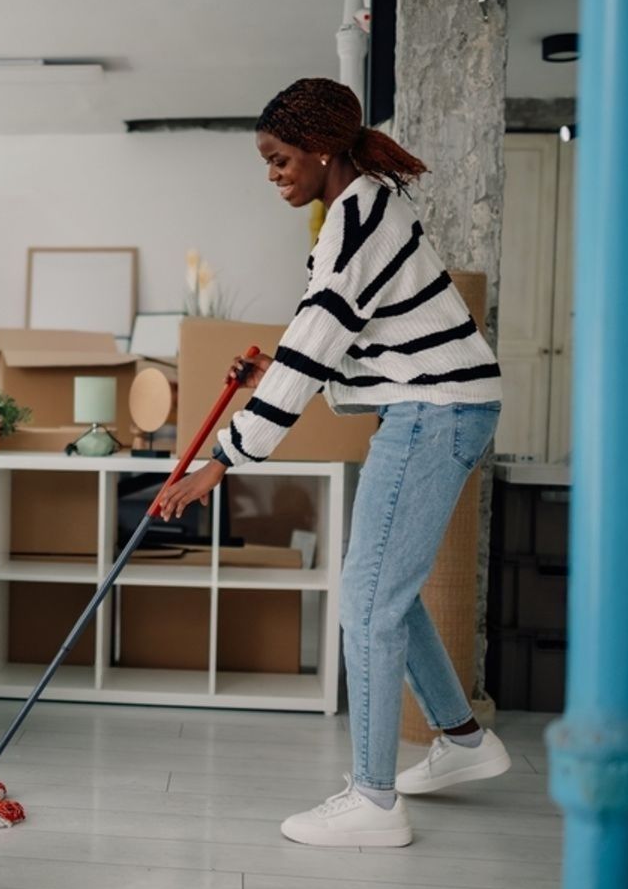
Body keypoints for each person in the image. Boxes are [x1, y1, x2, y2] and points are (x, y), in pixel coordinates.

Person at [161, 78, 512, 849]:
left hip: (436, 411)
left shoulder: (355, 222)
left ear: (321, 151)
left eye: (279, 159)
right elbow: (356, 344)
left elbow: (316, 340)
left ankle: (375, 801)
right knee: (385, 588)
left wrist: (222, 459)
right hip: (437, 404)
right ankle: (461, 739)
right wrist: (279, 377)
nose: (273, 174)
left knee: (368, 598)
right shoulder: (365, 207)